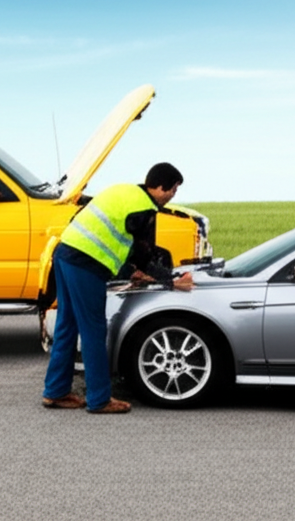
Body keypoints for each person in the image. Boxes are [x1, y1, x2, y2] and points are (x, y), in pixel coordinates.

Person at [42, 162, 194, 413]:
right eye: (172, 190)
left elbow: (104, 234)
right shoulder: (144, 210)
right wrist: (171, 280)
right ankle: (100, 399)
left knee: (67, 325)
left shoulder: (124, 191)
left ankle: (56, 392)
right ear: (159, 186)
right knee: (93, 330)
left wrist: (130, 271)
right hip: (85, 265)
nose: (171, 196)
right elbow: (144, 257)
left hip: (64, 253)